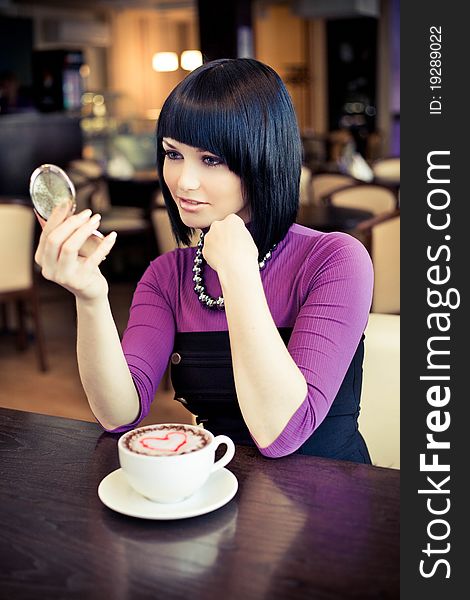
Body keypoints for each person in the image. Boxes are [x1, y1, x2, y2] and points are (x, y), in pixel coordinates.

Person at [35, 58, 373, 462]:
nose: (183, 181)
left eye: (210, 160)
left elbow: (282, 433)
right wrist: (90, 297)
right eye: (173, 154)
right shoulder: (168, 275)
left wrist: (237, 270)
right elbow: (118, 414)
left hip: (335, 502)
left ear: (262, 158)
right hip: (221, 493)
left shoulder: (334, 260)